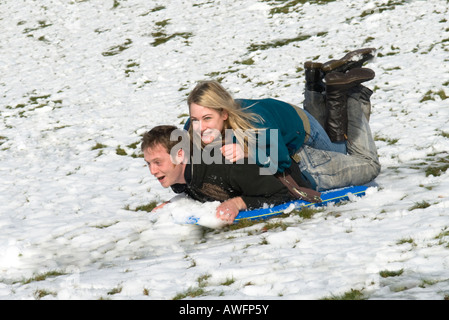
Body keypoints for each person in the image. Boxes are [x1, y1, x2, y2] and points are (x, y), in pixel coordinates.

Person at [184, 48, 380, 191]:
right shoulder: (191, 129)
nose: (201, 127)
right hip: (279, 118)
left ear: (224, 114)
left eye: (208, 118)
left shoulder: (254, 124)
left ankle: (345, 92)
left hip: (299, 127)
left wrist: (248, 151)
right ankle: (319, 81)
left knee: (342, 152)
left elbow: (281, 161)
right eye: (195, 119)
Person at [141, 125, 321, 224]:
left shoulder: (226, 165)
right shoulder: (179, 179)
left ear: (180, 155)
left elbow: (281, 193)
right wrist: (175, 203)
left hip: (311, 168)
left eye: (158, 162)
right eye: (148, 163)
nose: (153, 171)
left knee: (349, 158)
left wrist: (238, 203)